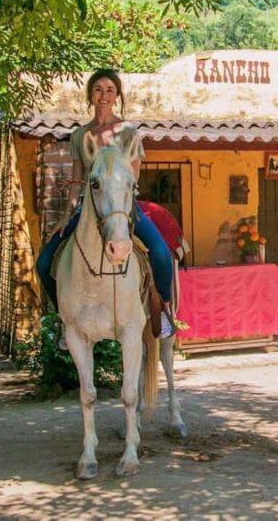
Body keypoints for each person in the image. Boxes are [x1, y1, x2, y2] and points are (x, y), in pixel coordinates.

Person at [36, 68, 176, 342]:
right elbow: (77, 179)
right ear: (90, 94)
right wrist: (66, 214)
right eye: (98, 89)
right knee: (43, 263)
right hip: (89, 209)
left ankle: (163, 311)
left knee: (160, 253)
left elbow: (133, 175)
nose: (104, 95)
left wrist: (118, 199)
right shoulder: (79, 136)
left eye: (110, 90)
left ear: (117, 96)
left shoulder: (128, 132)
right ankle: (65, 319)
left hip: (124, 207)